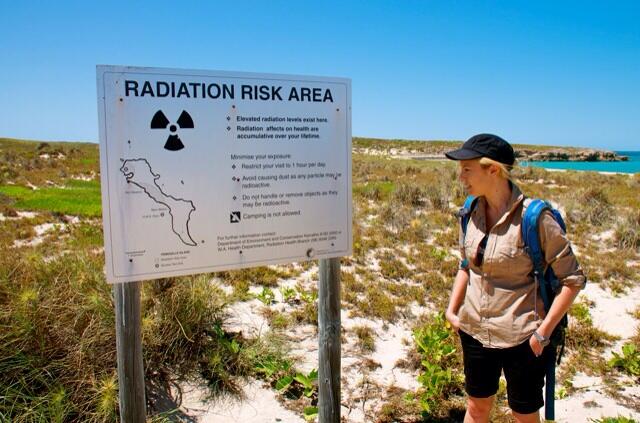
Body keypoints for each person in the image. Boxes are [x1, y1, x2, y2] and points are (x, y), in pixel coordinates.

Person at [444, 134, 586, 423]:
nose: (461, 177)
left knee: (523, 414)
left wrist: (542, 333)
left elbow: (572, 280)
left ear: (493, 170)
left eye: (467, 169)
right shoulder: (470, 212)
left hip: (523, 337)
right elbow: (466, 265)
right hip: (475, 331)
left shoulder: (536, 218)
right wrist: (452, 310)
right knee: (476, 407)